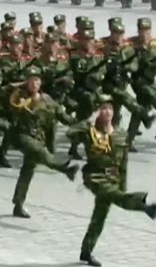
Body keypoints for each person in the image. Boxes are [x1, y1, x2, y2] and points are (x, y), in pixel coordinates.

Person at [67, 94, 156, 267]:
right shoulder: (90, 132)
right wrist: (89, 120)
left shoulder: (121, 134)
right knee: (113, 196)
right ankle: (145, 206)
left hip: (113, 177)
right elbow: (71, 132)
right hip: (95, 176)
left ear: (114, 112)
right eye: (102, 109)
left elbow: (123, 163)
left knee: (100, 215)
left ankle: (86, 251)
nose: (106, 112)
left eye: (109, 108)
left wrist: (123, 185)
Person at [9, 66, 79, 218]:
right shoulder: (19, 96)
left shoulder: (47, 99)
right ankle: (64, 168)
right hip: (23, 136)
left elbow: (62, 115)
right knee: (42, 153)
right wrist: (22, 97)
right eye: (31, 80)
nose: (34, 83)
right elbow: (13, 106)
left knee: (27, 171)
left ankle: (18, 204)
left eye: (37, 80)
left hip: (38, 138)